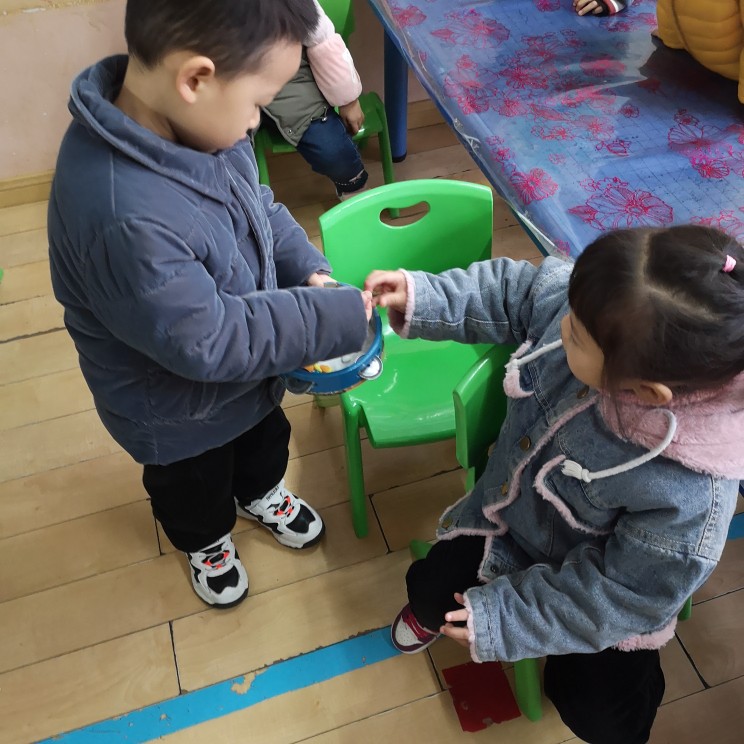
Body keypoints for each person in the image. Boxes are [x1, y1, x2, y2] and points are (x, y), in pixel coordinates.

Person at [47, 0, 373, 610]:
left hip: (246, 375)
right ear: (196, 78)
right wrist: (333, 319)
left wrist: (309, 271)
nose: (256, 122)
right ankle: (208, 544)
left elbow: (258, 207)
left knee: (263, 444)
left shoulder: (194, 125)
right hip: (176, 412)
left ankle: (261, 493)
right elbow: (210, 339)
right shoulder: (124, 216)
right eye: (258, 103)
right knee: (192, 488)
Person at [365, 225, 743, 744]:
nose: (562, 322)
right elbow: (519, 290)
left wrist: (504, 620)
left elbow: (624, 596)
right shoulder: (600, 311)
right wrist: (424, 295)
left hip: (603, 599)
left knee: (603, 717)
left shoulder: (692, 493)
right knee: (431, 592)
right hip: (507, 523)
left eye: (576, 335)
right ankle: (430, 611)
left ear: (644, 391)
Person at [260, 0, 368, 200]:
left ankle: (353, 191)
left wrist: (348, 100)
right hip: (223, 84)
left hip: (288, 80)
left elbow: (322, 41)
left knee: (333, 149)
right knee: (221, 159)